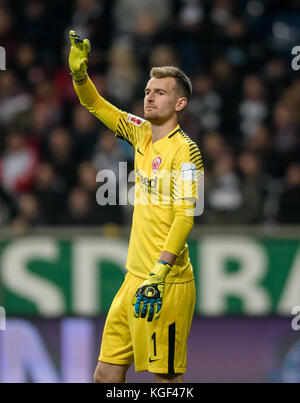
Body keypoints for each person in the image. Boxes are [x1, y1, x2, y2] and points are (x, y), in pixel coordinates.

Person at [68, 30, 203, 383]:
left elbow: (185, 216)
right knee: (105, 375)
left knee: (166, 383)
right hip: (133, 281)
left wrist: (159, 272)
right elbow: (95, 105)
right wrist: (80, 77)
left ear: (180, 103)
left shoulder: (186, 153)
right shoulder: (140, 133)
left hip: (167, 284)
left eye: (160, 92)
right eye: (147, 91)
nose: (149, 97)